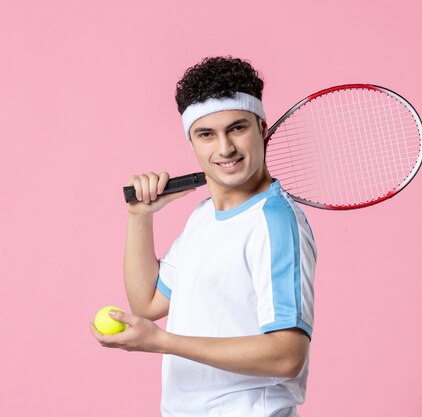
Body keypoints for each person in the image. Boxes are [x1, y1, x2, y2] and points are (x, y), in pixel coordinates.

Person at [91, 56, 316, 417]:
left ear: (263, 129)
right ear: (192, 142)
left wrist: (162, 342)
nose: (224, 148)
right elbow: (147, 304)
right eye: (206, 134)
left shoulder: (274, 222)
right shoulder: (203, 219)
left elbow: (287, 355)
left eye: (237, 128)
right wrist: (139, 217)